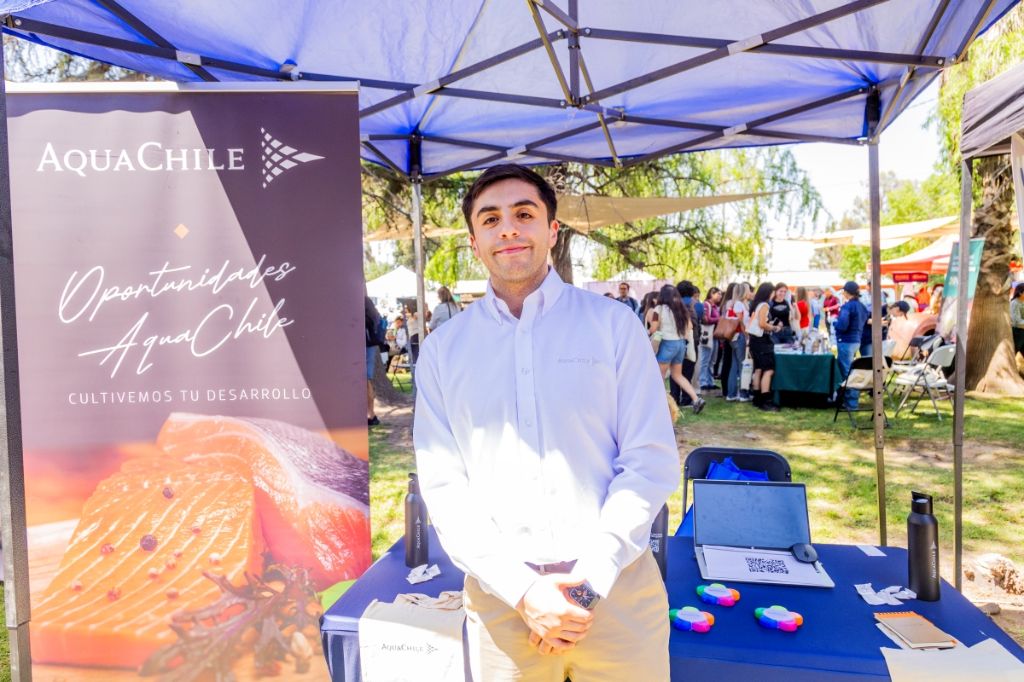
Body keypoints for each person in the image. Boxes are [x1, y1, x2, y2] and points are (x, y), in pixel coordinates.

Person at [413, 164, 678, 680]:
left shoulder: (613, 326)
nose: (508, 229)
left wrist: (588, 584)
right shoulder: (444, 351)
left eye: (524, 213)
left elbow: (649, 460)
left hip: (618, 594)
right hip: (503, 604)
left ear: (552, 231)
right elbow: (444, 487)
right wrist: (523, 591)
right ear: (474, 242)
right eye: (491, 219)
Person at [647, 284, 705, 413]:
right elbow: (690, 326)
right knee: (677, 375)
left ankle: (659, 405)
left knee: (659, 376)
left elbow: (654, 328)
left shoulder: (658, 309)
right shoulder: (681, 308)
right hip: (680, 344)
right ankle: (696, 399)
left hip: (667, 344)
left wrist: (647, 332)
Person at [834, 281, 868, 411]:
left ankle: (851, 403)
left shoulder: (847, 307)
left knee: (847, 372)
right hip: (856, 340)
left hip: (846, 341)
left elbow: (843, 325)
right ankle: (848, 400)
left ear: (847, 292)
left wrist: (834, 323)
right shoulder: (861, 306)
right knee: (850, 371)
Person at [747, 282, 781, 412]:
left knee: (758, 369)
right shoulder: (765, 305)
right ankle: (766, 401)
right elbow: (762, 324)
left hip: (755, 340)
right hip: (762, 341)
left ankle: (757, 398)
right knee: (768, 370)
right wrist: (774, 327)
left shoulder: (755, 304)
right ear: (769, 292)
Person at [724, 282, 752, 402]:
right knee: (742, 365)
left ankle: (731, 393)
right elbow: (741, 322)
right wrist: (746, 336)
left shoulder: (732, 304)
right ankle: (743, 393)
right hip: (740, 336)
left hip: (734, 337)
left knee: (735, 365)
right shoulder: (739, 304)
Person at [364, 295, 386, 426]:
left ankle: (370, 414)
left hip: (364, 344)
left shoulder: (359, 300)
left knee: (365, 380)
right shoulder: (367, 302)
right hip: (370, 344)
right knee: (367, 380)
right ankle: (371, 413)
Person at [698, 287, 722, 392]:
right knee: (705, 359)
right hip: (708, 335)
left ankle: (710, 381)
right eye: (718, 294)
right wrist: (718, 319)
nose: (720, 296)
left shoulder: (715, 306)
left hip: (715, 335)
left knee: (712, 360)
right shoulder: (707, 305)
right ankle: (703, 381)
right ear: (712, 294)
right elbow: (706, 319)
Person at [1011, 283, 1024, 358]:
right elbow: (1017, 322)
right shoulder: (1014, 303)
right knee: (1012, 354)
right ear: (1020, 293)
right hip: (1017, 333)